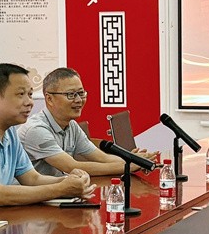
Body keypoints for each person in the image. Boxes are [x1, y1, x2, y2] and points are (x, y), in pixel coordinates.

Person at [0, 63, 97, 206]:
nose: (30, 102)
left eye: (30, 94)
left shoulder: (9, 130)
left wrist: (70, 181)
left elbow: (32, 179)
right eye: (21, 94)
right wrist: (61, 189)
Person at [19, 67, 158, 177]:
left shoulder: (71, 126)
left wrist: (135, 160)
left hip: (55, 195)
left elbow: (102, 158)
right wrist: (128, 166)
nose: (78, 100)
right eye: (71, 95)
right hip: (29, 200)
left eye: (81, 93)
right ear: (49, 99)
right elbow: (72, 167)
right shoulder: (36, 130)